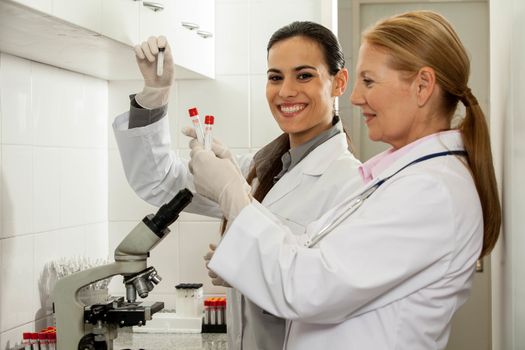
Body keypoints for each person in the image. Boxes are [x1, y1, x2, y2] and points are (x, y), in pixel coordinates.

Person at [189, 10, 502, 350]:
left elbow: (306, 286)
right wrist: (239, 202)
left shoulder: (432, 191)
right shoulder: (403, 177)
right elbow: (307, 249)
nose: (354, 97)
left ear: (422, 86)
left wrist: (231, 193)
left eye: (369, 81)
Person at [113, 22, 362, 349]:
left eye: (304, 75)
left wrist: (248, 267)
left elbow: (322, 293)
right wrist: (154, 96)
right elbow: (159, 181)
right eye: (275, 77)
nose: (286, 91)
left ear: (339, 82)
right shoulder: (260, 169)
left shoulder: (351, 184)